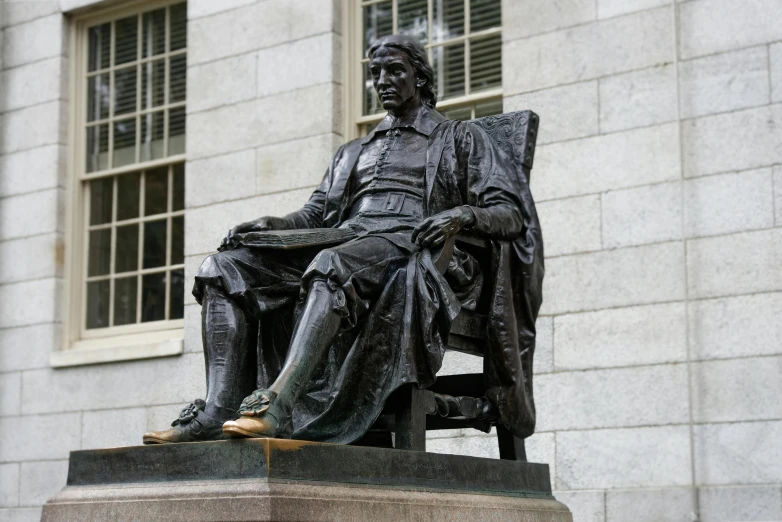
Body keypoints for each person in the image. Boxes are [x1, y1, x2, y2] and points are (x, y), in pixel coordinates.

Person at [143, 34, 543, 445]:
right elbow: (315, 214)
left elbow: (510, 213)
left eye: (395, 71)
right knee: (222, 268)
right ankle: (219, 408)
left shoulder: (460, 138)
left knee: (331, 264)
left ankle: (277, 404)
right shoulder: (354, 151)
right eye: (376, 73)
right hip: (346, 238)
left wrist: (463, 214)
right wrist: (271, 224)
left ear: (420, 78)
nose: (383, 81)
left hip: (411, 243)